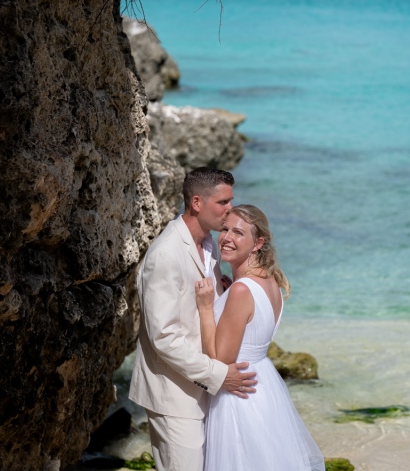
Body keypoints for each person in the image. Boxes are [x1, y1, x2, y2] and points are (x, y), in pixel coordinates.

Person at [129, 168, 258, 471]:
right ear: (197, 203)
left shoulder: (209, 245)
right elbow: (164, 338)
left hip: (202, 393)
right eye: (223, 203)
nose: (230, 210)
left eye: (231, 201)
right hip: (172, 396)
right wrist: (219, 374)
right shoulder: (165, 255)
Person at [194, 204, 325, 471]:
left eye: (239, 233)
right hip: (263, 388)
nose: (227, 238)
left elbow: (220, 359)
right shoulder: (270, 283)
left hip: (238, 394)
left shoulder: (242, 290)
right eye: (225, 229)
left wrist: (207, 307)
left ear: (258, 243)